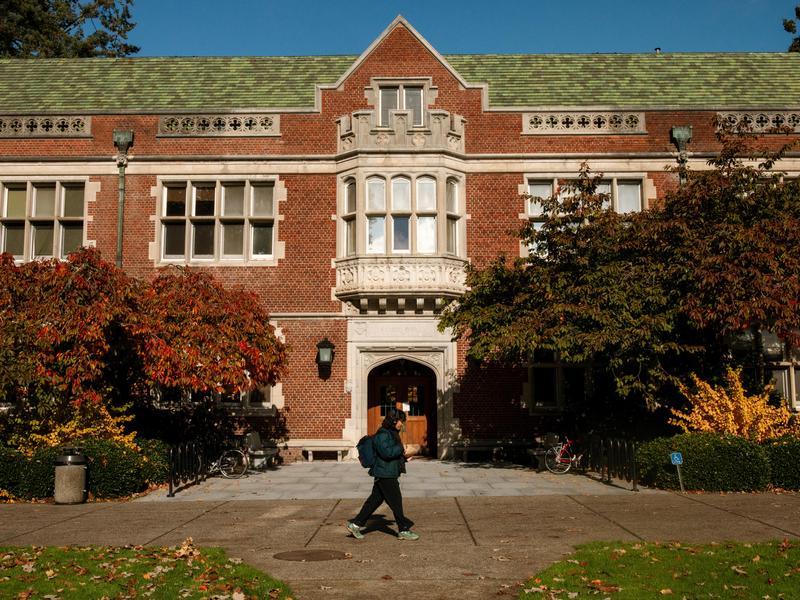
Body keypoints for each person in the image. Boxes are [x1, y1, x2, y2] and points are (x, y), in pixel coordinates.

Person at [346, 407, 419, 540]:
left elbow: (390, 455)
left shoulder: (391, 433)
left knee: (374, 501)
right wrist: (401, 448)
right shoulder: (383, 434)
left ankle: (355, 525)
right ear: (394, 420)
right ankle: (403, 530)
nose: (402, 424)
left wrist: (404, 458)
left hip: (386, 472)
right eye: (401, 421)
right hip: (385, 474)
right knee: (396, 502)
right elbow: (386, 453)